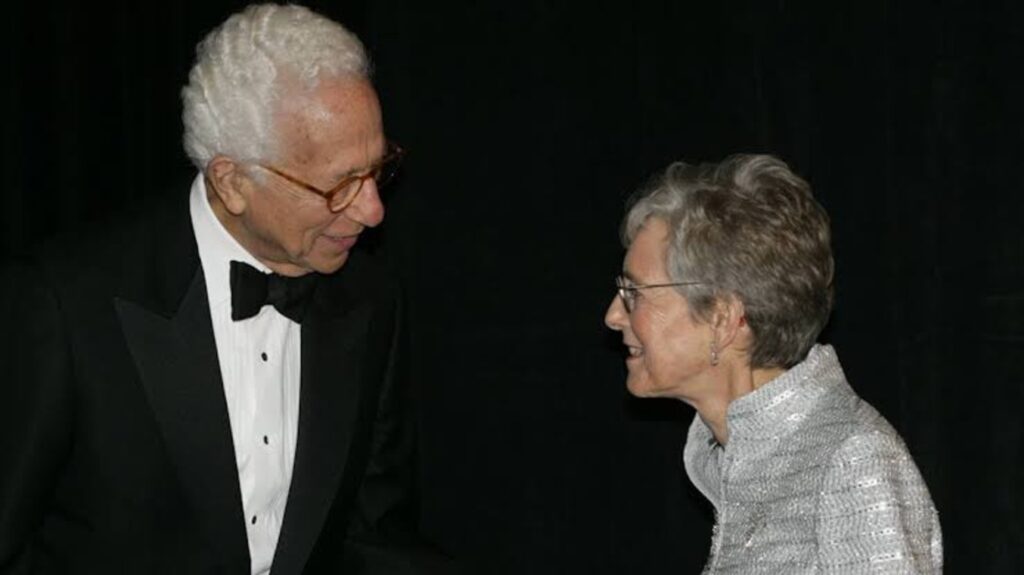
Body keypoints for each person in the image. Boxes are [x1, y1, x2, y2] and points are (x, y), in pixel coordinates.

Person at [0, 4, 442, 573]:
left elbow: (376, 537)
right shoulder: (60, 301)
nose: (374, 211)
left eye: (378, 171)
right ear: (232, 182)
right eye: (340, 186)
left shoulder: (369, 298)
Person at [604, 155, 943, 573]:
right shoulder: (737, 461)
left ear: (723, 319)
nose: (614, 315)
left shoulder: (852, 459)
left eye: (635, 291)